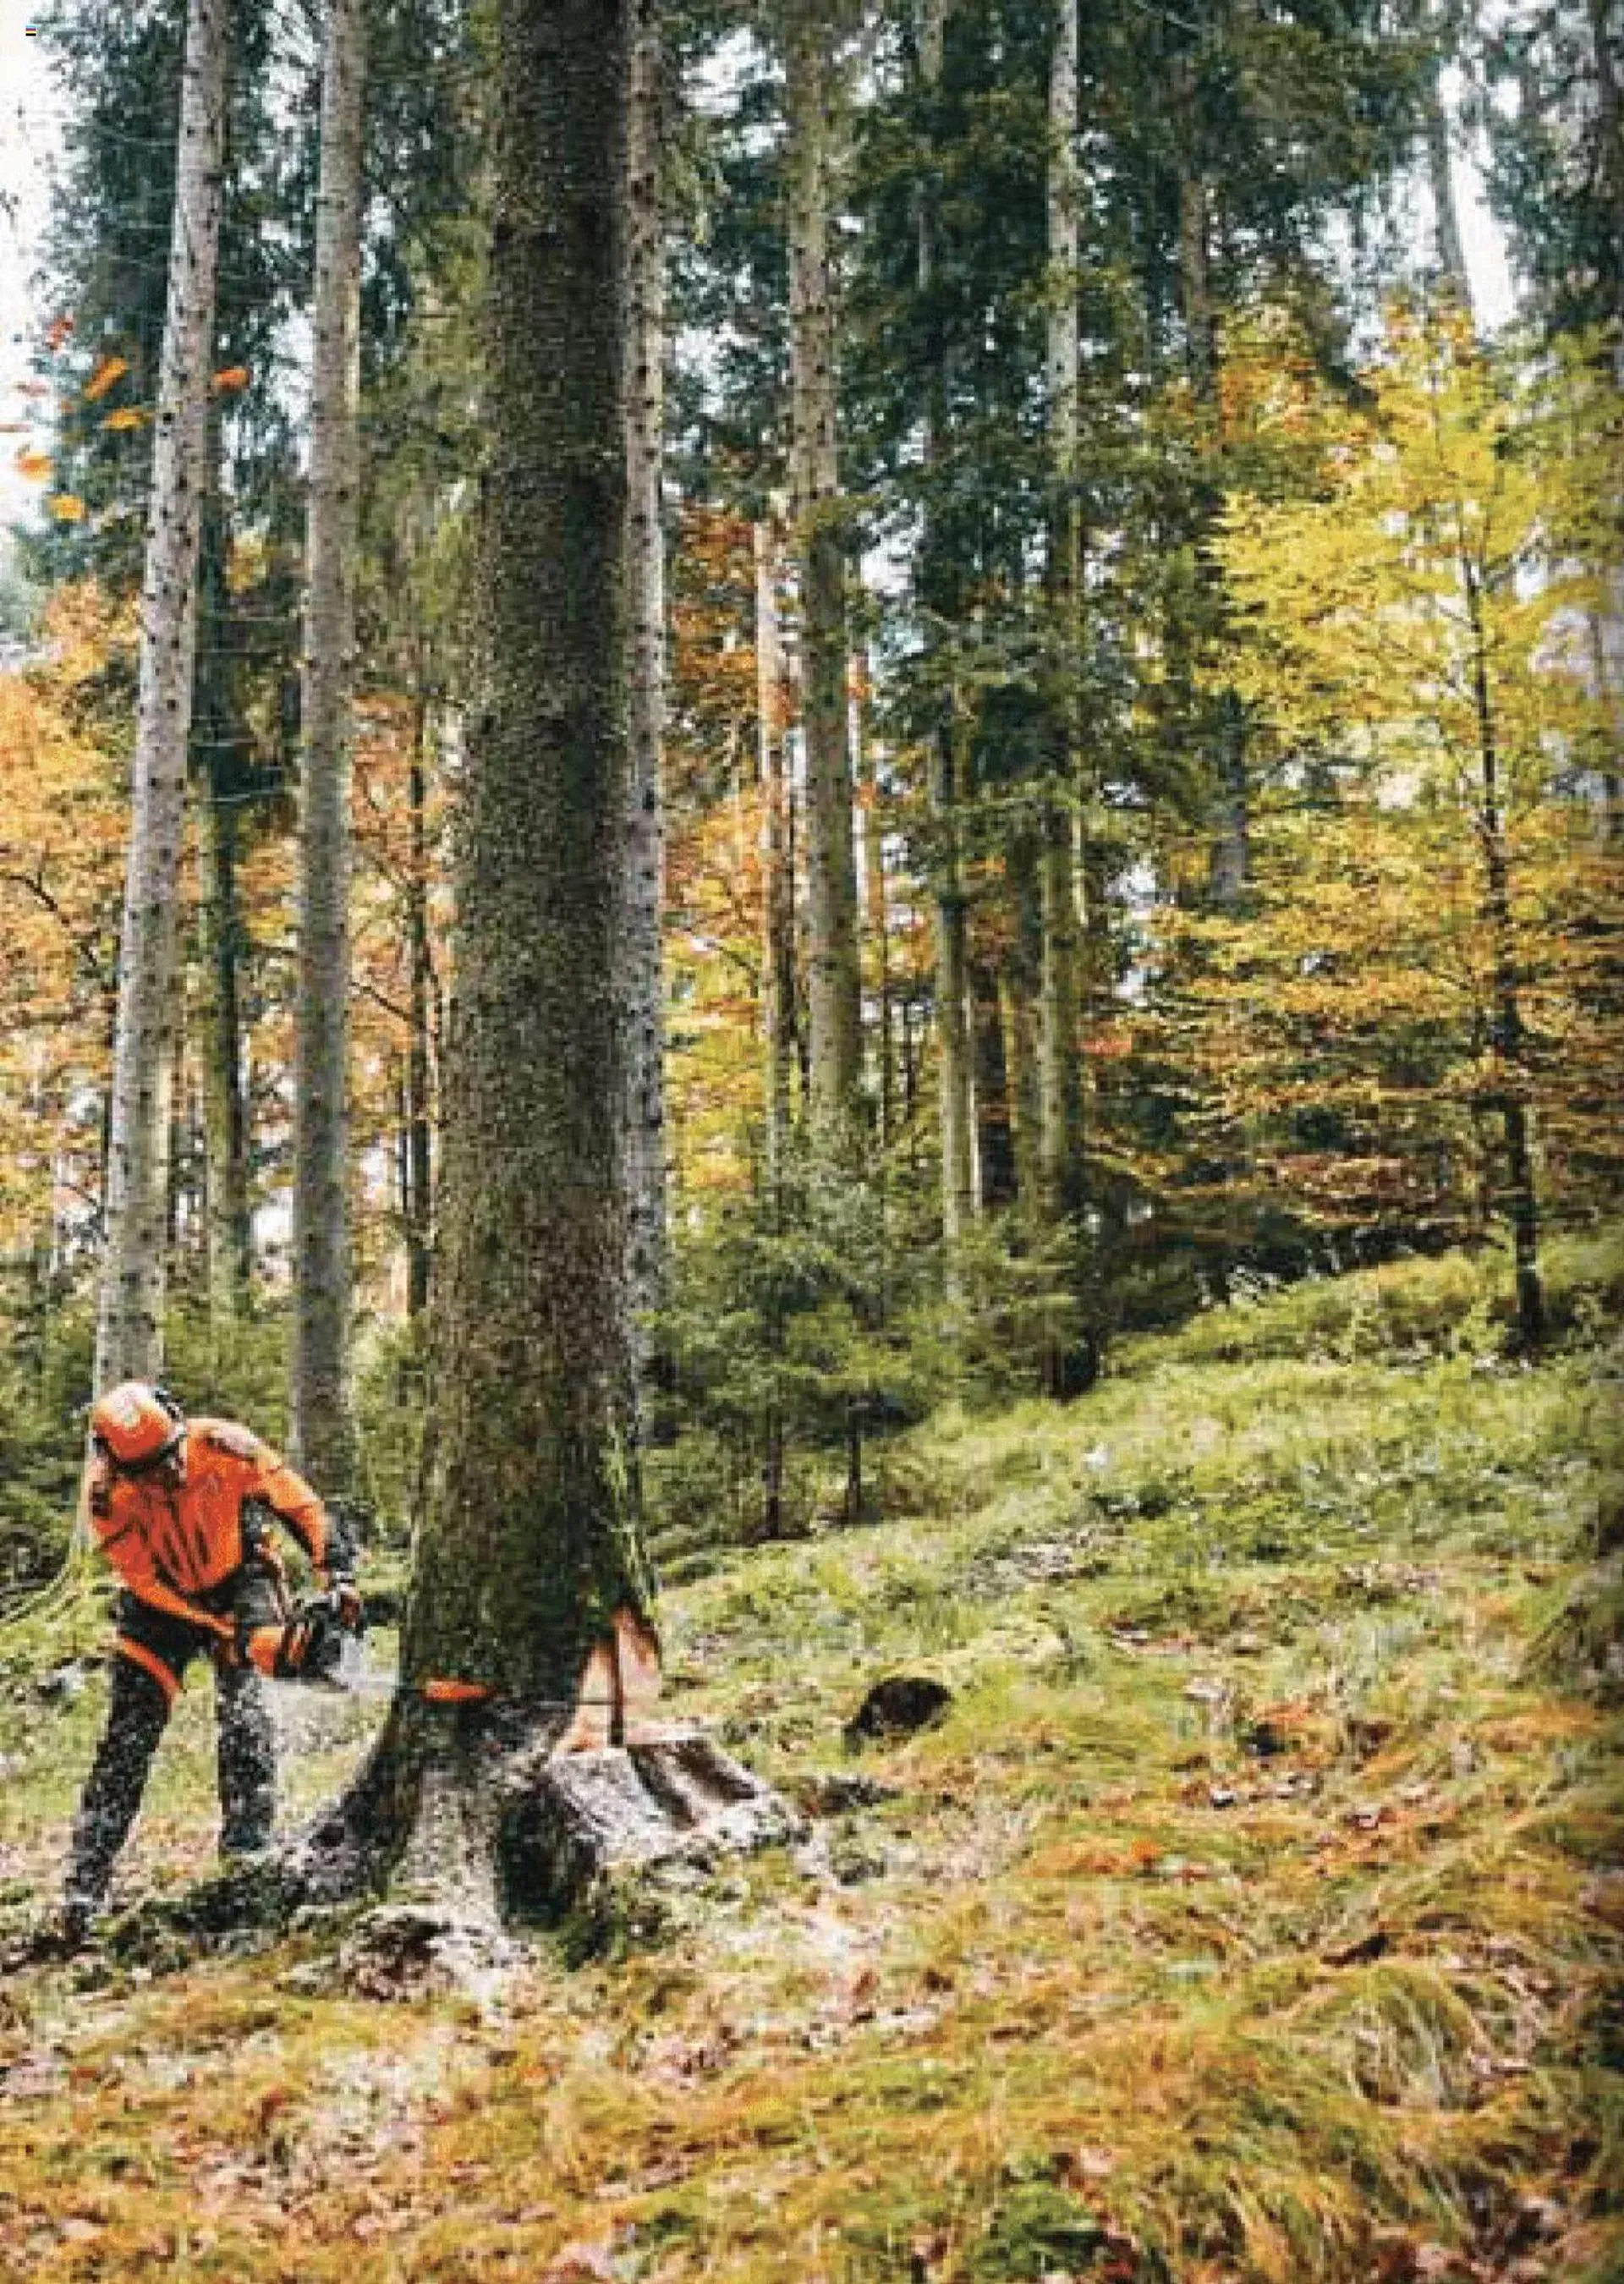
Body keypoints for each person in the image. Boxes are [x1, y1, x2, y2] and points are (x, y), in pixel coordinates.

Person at [59, 1381, 362, 1942]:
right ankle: (85, 1882)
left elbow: (300, 1504)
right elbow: (146, 1582)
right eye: (151, 1468)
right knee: (128, 1736)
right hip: (163, 1606)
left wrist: (337, 1575)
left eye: (172, 1454)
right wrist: (215, 1628)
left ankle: (245, 1856)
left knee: (246, 1715)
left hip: (242, 1575)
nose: (169, 1472)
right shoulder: (106, 1499)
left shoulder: (226, 1446)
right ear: (120, 1466)